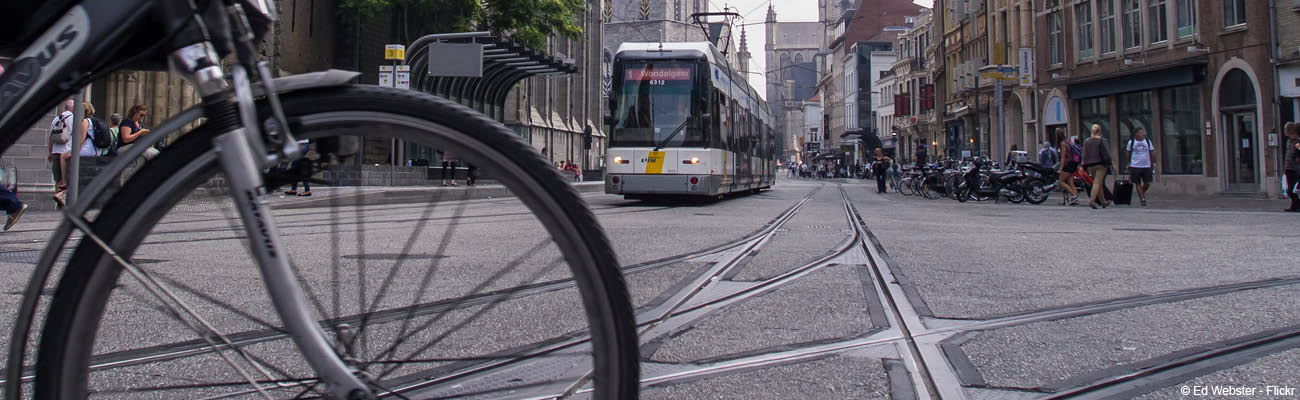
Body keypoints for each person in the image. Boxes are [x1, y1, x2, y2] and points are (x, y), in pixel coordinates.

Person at [48, 99, 74, 207]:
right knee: (66, 179)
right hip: (67, 152)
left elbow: (51, 138)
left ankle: (58, 202)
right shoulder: (73, 118)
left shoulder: (56, 119)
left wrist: (50, 152)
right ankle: (63, 199)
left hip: (55, 152)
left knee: (57, 179)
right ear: (73, 108)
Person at [1081, 124, 1113, 209]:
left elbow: (1084, 155)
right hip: (1101, 164)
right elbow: (1108, 153)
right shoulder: (1102, 140)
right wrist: (1112, 163)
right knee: (1097, 182)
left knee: (1099, 183)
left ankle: (1103, 202)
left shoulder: (1087, 141)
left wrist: (1082, 165)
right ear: (1099, 131)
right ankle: (1092, 200)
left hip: (1090, 165)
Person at [1126, 128, 1155, 207]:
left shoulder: (1148, 141)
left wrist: (1152, 162)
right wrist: (1129, 162)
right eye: (1141, 132)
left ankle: (1141, 192)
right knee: (1137, 183)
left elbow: (1152, 152)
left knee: (1147, 183)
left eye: (1143, 132)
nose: (1143, 134)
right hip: (1135, 166)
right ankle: (1142, 199)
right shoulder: (1131, 142)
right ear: (1136, 134)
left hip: (1146, 165)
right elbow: (1128, 153)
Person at [1057, 133, 1080, 206]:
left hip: (1068, 164)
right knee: (1070, 181)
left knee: (1061, 181)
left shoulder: (1063, 144)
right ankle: (1075, 198)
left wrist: (1061, 167)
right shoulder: (1069, 142)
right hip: (1074, 163)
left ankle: (1074, 195)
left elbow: (1063, 157)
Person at [1284, 122, 1300, 212]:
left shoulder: (1297, 142)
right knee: (1289, 189)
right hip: (1288, 167)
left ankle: (1297, 204)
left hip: (1294, 168)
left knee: (1291, 190)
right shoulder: (1289, 141)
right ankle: (1294, 206)